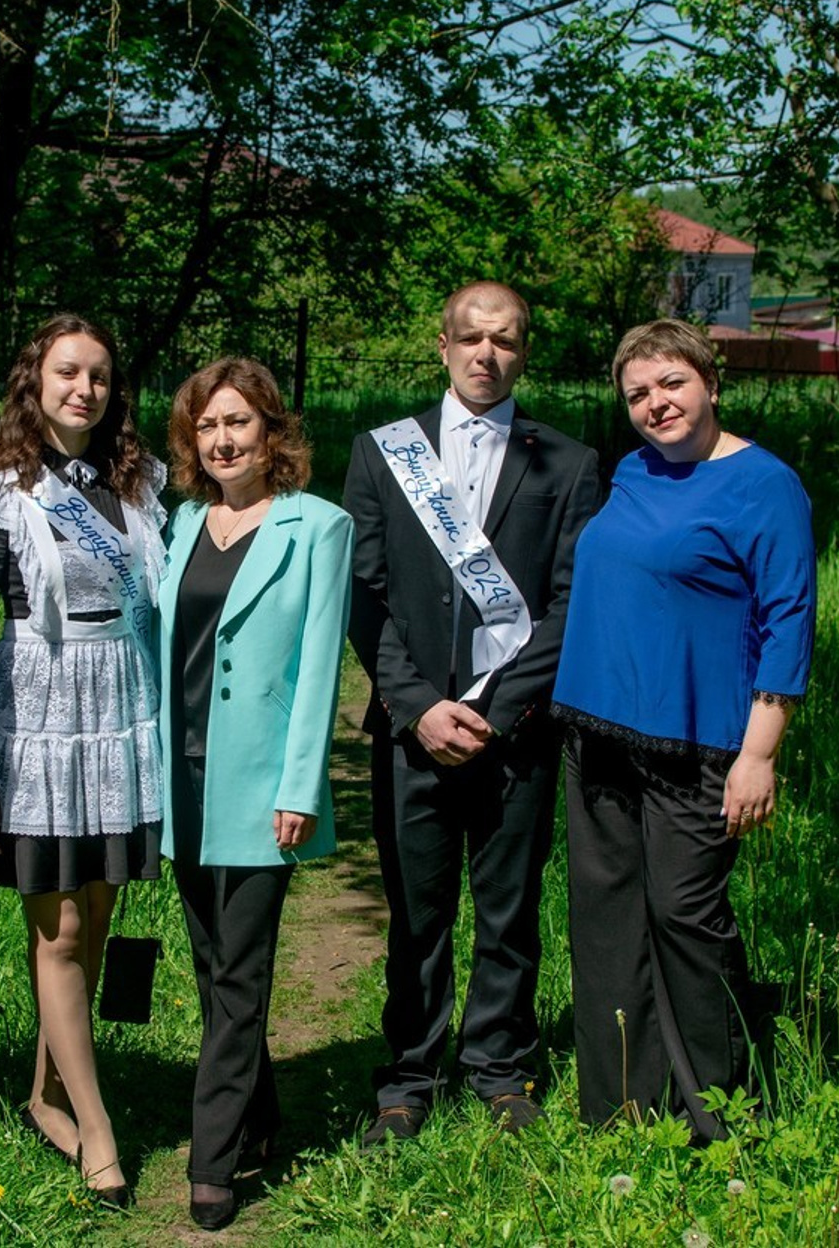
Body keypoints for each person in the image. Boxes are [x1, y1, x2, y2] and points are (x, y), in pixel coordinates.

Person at [344, 281, 600, 1143]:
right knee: (415, 913)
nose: (487, 353)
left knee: (508, 909)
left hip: (515, 732)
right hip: (413, 733)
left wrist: (500, 708)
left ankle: (499, 1065)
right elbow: (366, 595)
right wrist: (417, 707)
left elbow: (570, 604)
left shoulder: (566, 463)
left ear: (524, 352)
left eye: (506, 340)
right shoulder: (385, 454)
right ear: (443, 346)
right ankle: (408, 1076)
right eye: (471, 338)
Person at [552, 319, 815, 1142]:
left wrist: (758, 755)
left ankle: (722, 1113)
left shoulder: (764, 484)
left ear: (709, 380)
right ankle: (625, 1109)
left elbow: (789, 619)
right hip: (599, 733)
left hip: (700, 747)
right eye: (637, 393)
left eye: (670, 383)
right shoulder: (633, 471)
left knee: (684, 918)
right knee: (607, 919)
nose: (655, 404)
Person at [0, 315, 165, 1210]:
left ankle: (46, 1094)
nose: (85, 389)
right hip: (35, 716)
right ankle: (99, 1132)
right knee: (62, 932)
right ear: (33, 383)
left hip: (121, 709)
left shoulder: (145, 485)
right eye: (68, 373)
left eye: (101, 377)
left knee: (100, 917)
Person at [159, 357, 352, 1230]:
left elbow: (320, 667)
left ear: (273, 432)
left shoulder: (320, 527)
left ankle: (213, 1161)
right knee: (210, 969)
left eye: (240, 421)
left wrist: (301, 782)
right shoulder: (184, 522)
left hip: (261, 781)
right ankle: (261, 1117)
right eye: (208, 425)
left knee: (240, 970)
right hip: (183, 779)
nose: (224, 439)